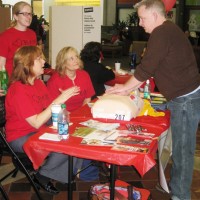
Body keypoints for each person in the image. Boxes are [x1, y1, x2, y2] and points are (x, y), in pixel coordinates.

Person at [106, 1, 200, 200]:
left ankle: (181, 196)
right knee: (180, 150)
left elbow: (146, 68)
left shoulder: (161, 33)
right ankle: (175, 187)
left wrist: (124, 88)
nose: (140, 23)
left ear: (156, 16)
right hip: (183, 97)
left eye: (143, 18)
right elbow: (154, 66)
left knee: (183, 153)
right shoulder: (168, 31)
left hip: (185, 100)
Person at [5, 46, 83, 195]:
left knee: (71, 133)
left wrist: (61, 107)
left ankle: (62, 172)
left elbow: (49, 111)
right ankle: (43, 176)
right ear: (27, 64)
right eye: (39, 58)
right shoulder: (18, 89)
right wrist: (59, 100)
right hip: (20, 136)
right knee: (63, 142)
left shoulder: (39, 84)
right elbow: (35, 122)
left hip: (38, 129)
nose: (44, 61)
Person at [47, 46, 95, 112]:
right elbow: (54, 105)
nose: (76, 60)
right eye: (71, 58)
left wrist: (81, 112)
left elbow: (88, 98)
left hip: (81, 111)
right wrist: (69, 115)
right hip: (62, 114)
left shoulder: (84, 75)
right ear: (63, 63)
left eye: (76, 57)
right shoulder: (54, 80)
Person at [0, 1, 37, 77]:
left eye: (30, 14)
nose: (29, 17)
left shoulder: (32, 34)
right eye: (24, 14)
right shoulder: (6, 36)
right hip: (12, 78)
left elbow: (34, 58)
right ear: (16, 16)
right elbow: (1, 64)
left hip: (29, 77)